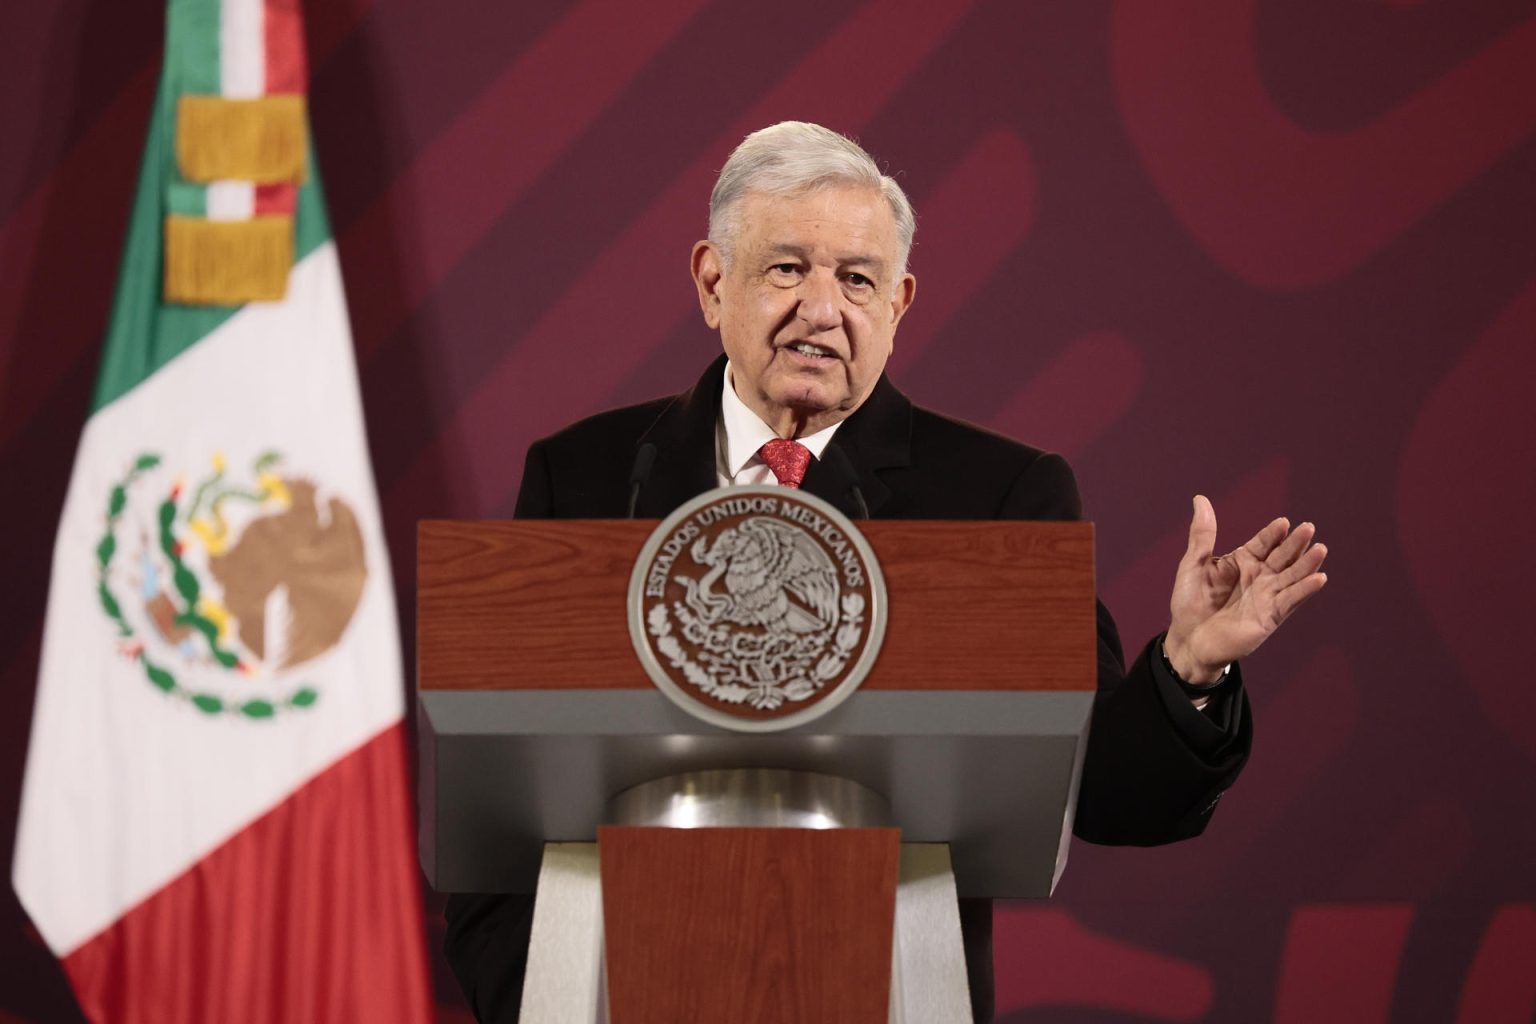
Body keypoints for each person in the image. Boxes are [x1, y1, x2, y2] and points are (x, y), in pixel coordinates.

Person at [444, 121, 1328, 1023]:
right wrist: (542, 994)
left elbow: (1101, 788)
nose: (824, 310)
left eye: (857, 279)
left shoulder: (996, 493)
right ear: (714, 282)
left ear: (900, 303)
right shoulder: (590, 474)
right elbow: (508, 804)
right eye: (787, 269)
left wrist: (1188, 667)